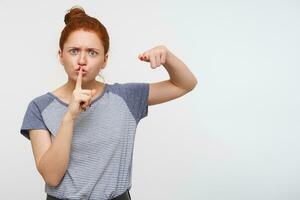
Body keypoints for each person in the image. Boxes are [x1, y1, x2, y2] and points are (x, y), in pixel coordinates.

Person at [20, 5, 197, 200]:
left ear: (104, 60)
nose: (81, 60)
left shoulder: (126, 97)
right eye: (73, 51)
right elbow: (52, 177)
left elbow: (184, 84)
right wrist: (69, 117)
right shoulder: (39, 107)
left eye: (92, 52)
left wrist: (167, 56)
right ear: (60, 56)